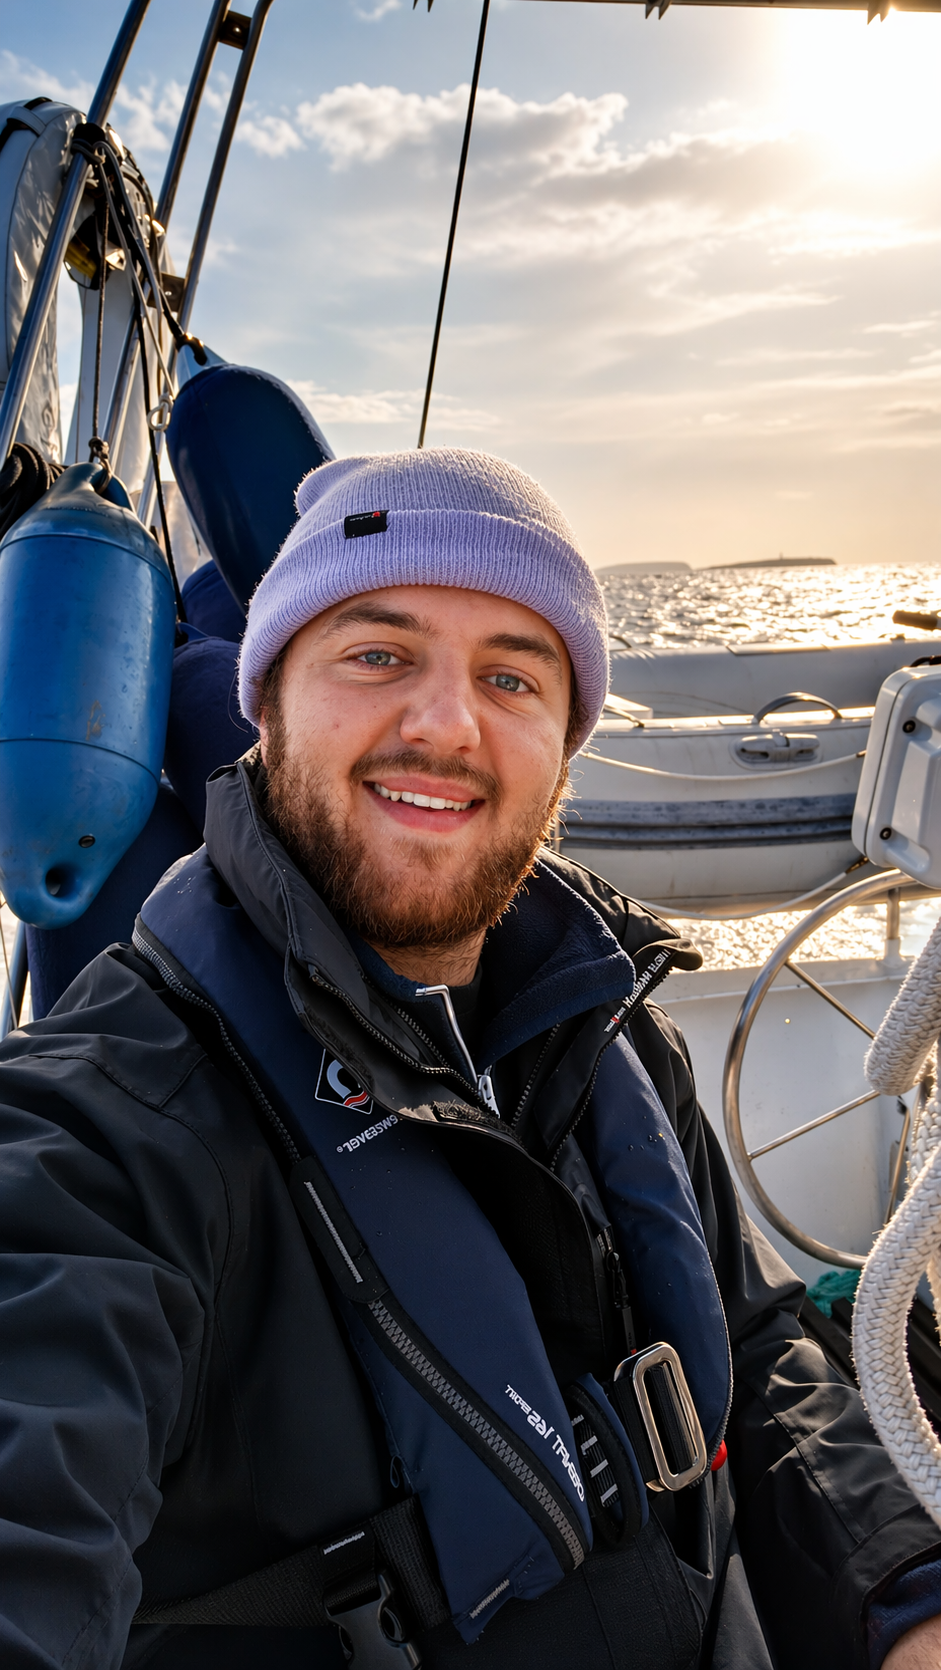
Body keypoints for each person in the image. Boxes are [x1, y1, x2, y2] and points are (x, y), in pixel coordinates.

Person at [0, 448, 939, 1670]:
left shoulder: (609, 1028)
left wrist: (901, 1596)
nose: (445, 724)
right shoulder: (104, 1132)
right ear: (268, 702)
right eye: (377, 654)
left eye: (511, 675)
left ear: (563, 747)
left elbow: (753, 1337)